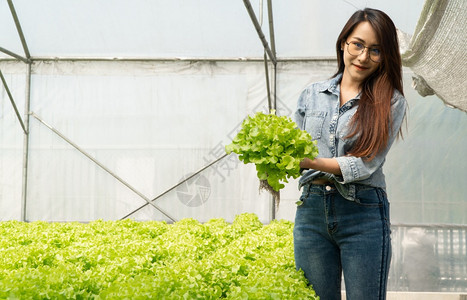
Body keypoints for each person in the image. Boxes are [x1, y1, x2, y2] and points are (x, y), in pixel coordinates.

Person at [293, 8, 407, 300]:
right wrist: (278, 161)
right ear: (343, 42)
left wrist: (310, 163)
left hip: (363, 212)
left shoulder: (391, 101)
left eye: (375, 50)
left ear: (385, 56)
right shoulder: (311, 94)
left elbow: (365, 164)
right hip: (311, 213)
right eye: (357, 44)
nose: (363, 57)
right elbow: (293, 148)